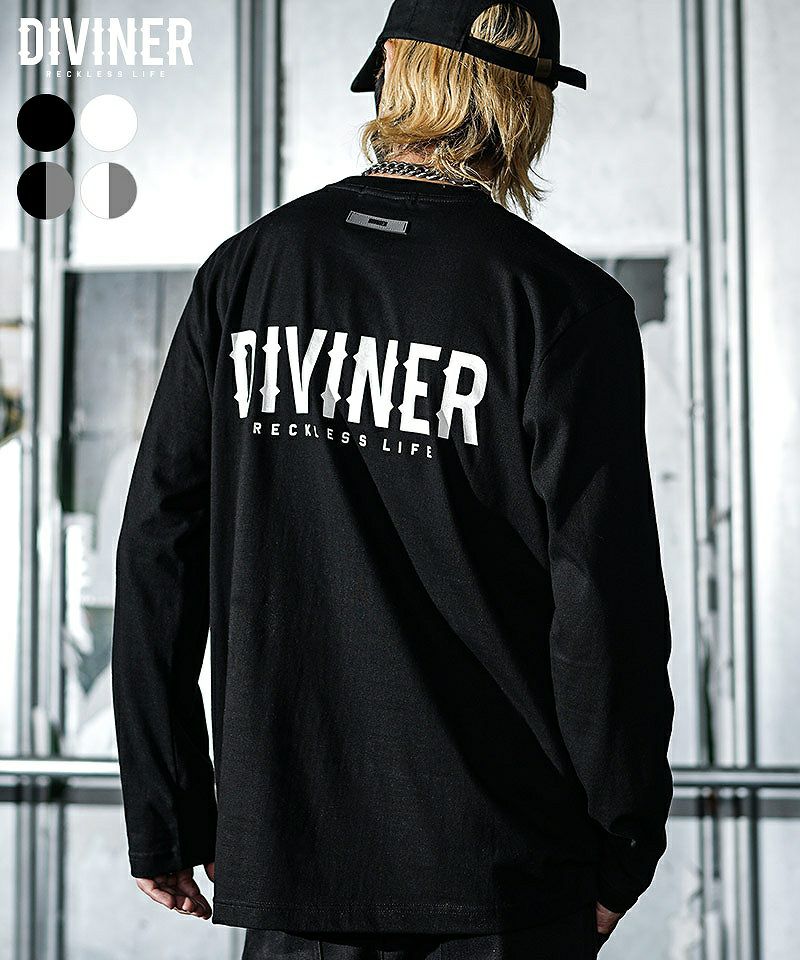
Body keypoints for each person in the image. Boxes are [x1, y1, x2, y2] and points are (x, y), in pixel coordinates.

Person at [111, 1, 675, 958]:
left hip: (292, 873)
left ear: (392, 76)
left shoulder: (246, 274)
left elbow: (158, 549)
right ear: (524, 105)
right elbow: (602, 601)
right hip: (504, 878)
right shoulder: (562, 305)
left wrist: (163, 812)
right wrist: (620, 845)